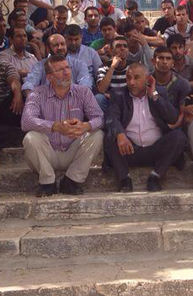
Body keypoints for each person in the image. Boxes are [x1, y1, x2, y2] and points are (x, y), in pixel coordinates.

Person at [21, 55, 104, 197]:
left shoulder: (83, 92)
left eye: (67, 68)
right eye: (60, 70)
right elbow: (26, 121)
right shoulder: (37, 94)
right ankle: (47, 183)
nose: (66, 73)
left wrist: (86, 126)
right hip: (48, 153)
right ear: (49, 77)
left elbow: (100, 118)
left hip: (73, 151)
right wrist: (55, 126)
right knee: (31, 138)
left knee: (97, 134)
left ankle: (72, 181)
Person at [104, 63, 187, 192]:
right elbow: (111, 118)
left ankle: (156, 176)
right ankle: (124, 179)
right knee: (109, 137)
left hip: (155, 149)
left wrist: (154, 96)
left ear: (148, 79)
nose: (131, 82)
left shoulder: (159, 92)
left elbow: (173, 118)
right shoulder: (119, 94)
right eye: (128, 78)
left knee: (179, 137)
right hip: (129, 149)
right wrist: (120, 134)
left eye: (136, 77)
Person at [22, 34, 92, 93]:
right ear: (48, 48)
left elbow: (85, 84)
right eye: (56, 45)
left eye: (62, 44)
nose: (60, 47)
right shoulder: (40, 65)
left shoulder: (79, 64)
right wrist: (32, 98)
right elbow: (30, 83)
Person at [152, 47, 191, 126]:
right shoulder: (145, 81)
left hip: (174, 126)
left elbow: (183, 113)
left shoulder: (183, 84)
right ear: (153, 61)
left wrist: (172, 127)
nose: (165, 62)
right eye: (161, 58)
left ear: (173, 62)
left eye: (168, 58)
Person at [96, 36, 130, 113]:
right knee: (99, 98)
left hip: (128, 101)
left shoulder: (133, 67)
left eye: (125, 46)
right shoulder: (104, 67)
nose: (123, 48)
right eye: (118, 46)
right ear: (111, 50)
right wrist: (112, 67)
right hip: (111, 102)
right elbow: (101, 89)